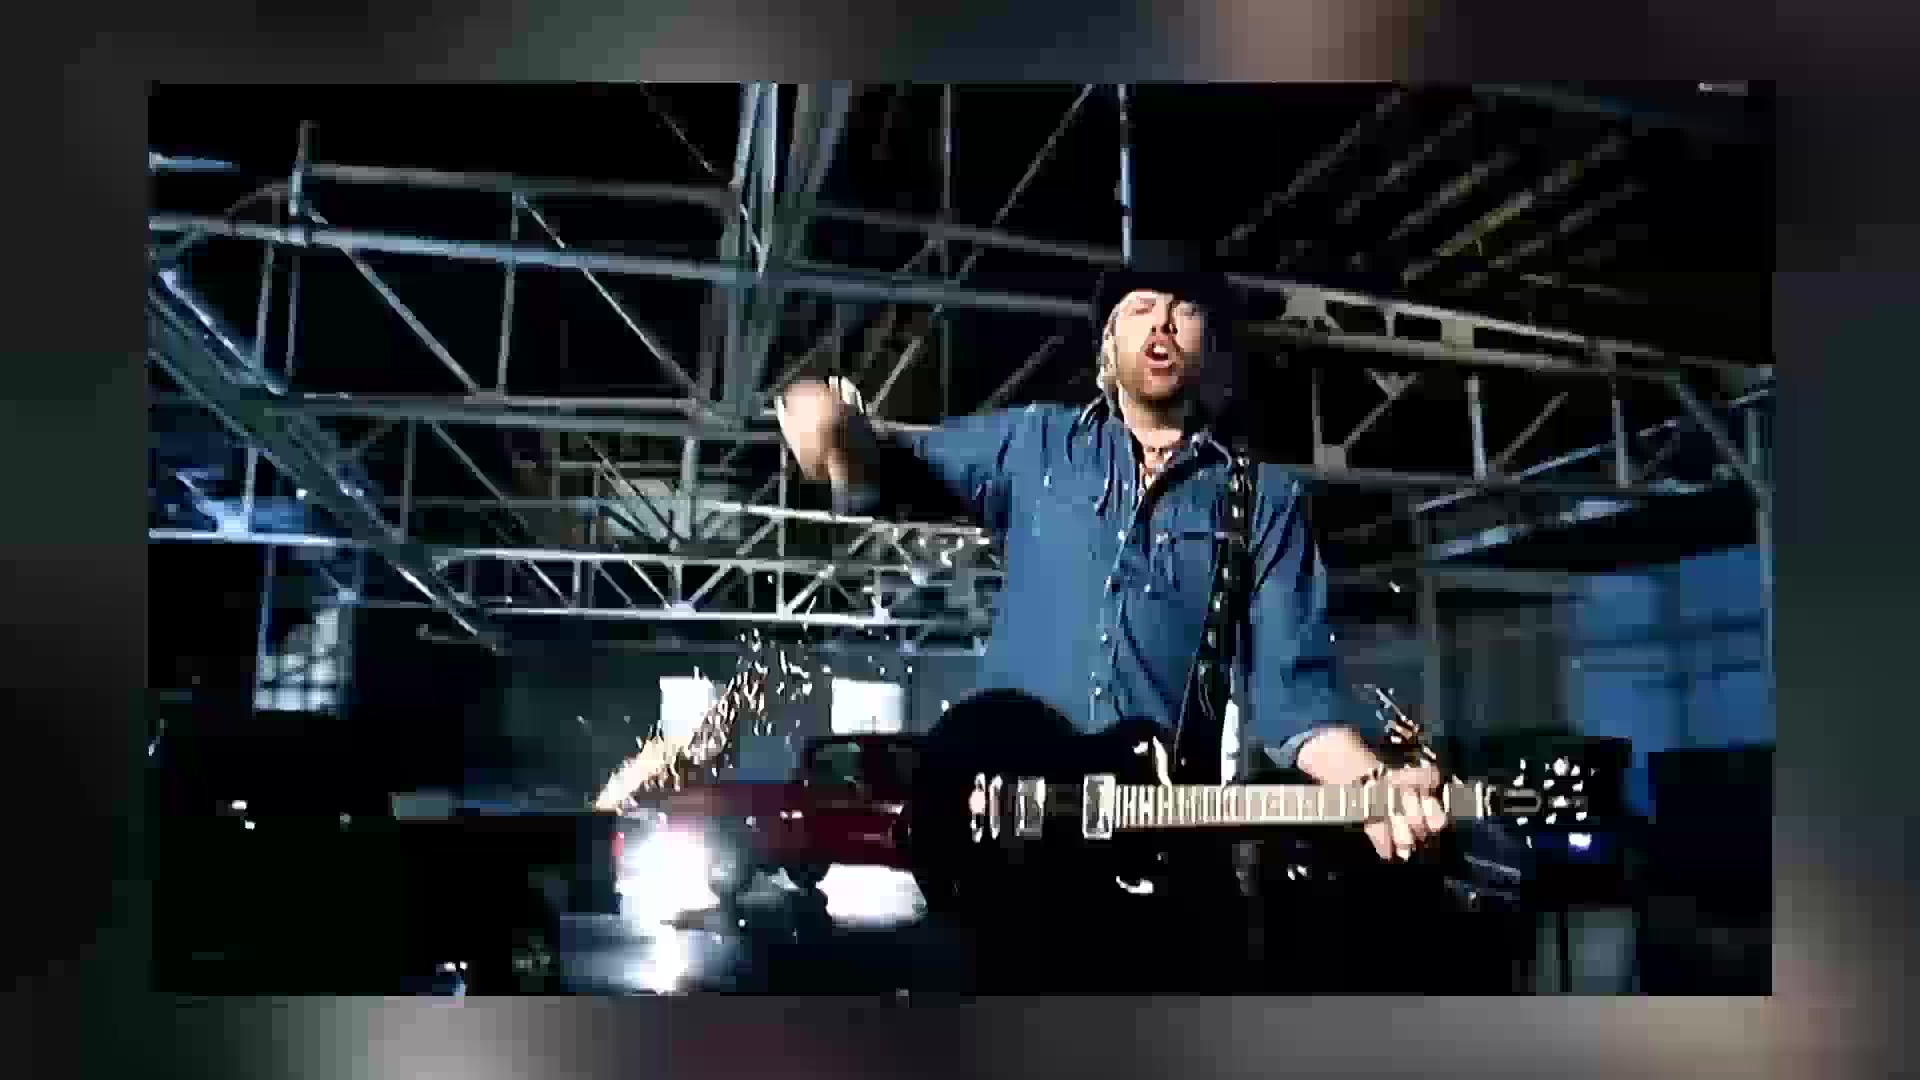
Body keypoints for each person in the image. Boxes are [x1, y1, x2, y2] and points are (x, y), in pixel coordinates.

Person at [776, 239, 1451, 986]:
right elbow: (895, 464)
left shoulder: (1263, 503)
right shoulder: (1035, 446)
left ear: (1210, 348)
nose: (1162, 323)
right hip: (1005, 858)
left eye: (1183, 311)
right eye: (1141, 309)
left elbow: (1298, 705)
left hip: (1156, 866)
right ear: (1108, 345)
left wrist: (1373, 787)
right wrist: (839, 438)